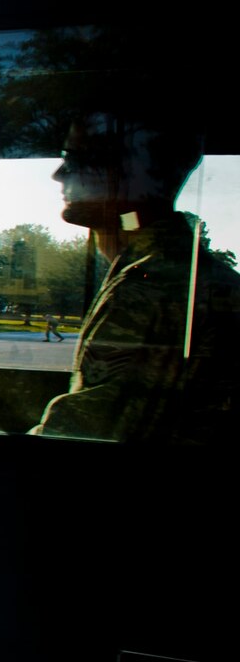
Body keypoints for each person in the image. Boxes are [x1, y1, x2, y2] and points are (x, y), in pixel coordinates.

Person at [30, 107, 240, 444]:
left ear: (129, 174)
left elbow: (71, 448)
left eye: (77, 158)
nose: (59, 174)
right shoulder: (197, 273)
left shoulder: (147, 287)